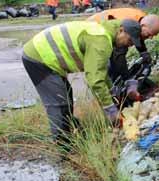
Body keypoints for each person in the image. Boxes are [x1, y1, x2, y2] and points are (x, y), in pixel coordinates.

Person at [22, 19, 142, 148]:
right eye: (130, 41)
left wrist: (111, 90)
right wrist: (110, 109)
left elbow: (99, 70)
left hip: (44, 56)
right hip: (38, 58)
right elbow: (95, 80)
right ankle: (64, 149)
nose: (129, 45)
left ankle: (74, 135)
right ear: (121, 30)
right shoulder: (101, 41)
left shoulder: (104, 34)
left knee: (66, 99)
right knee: (59, 105)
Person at [87, 8, 159, 100]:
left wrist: (143, 52)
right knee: (104, 70)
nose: (150, 38)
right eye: (150, 34)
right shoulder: (127, 29)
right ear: (143, 25)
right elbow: (119, 57)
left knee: (114, 70)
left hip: (99, 31)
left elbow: (139, 36)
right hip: (91, 32)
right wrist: (128, 81)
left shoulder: (140, 19)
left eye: (153, 35)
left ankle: (112, 94)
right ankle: (107, 98)